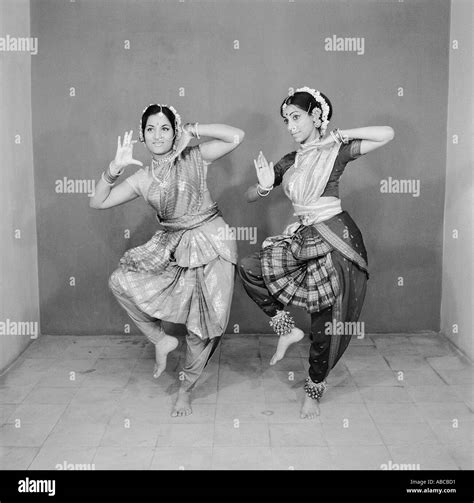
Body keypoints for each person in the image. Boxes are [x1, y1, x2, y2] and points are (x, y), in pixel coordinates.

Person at [238, 86, 394, 419]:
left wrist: (341, 135)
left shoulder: (335, 152)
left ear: (315, 116)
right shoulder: (291, 161)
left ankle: (313, 388)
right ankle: (286, 330)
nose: (291, 126)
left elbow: (387, 134)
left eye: (296, 117)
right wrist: (264, 186)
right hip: (306, 235)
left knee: (327, 321)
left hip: (336, 236)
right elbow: (250, 195)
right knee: (250, 268)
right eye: (286, 120)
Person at [90, 103, 244, 416]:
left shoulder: (195, 156)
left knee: (202, 326)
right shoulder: (142, 178)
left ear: (175, 131)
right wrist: (114, 168)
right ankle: (161, 341)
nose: (158, 135)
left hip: (214, 243)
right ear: (142, 137)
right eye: (150, 129)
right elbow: (98, 201)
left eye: (165, 128)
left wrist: (194, 130)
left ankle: (185, 390)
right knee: (120, 281)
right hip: (175, 247)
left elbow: (236, 137)